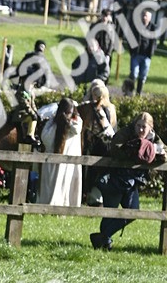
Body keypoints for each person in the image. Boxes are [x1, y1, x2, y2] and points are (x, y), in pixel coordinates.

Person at [90, 113, 165, 250]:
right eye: (138, 126)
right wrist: (136, 150)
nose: (141, 130)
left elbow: (164, 153)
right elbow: (115, 148)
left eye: (144, 127)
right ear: (134, 125)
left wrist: (152, 151)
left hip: (132, 181)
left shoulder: (154, 138)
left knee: (133, 212)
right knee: (110, 212)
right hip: (114, 178)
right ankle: (104, 243)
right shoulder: (125, 132)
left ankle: (101, 237)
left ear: (150, 128)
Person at [38, 97, 82, 206]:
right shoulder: (52, 122)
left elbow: (76, 130)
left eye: (70, 112)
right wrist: (57, 123)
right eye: (66, 112)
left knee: (67, 185)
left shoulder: (76, 121)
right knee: (51, 185)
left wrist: (67, 122)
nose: (68, 115)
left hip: (70, 160)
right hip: (53, 160)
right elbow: (45, 138)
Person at [81, 79, 117, 206]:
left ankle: (97, 198)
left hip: (103, 144)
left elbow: (111, 128)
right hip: (91, 142)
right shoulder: (88, 106)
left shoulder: (109, 109)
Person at [129, 8, 157, 94]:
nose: (144, 18)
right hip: (136, 55)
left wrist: (151, 54)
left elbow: (154, 42)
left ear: (150, 18)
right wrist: (132, 51)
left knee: (142, 76)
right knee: (134, 74)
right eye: (143, 16)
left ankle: (138, 94)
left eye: (146, 16)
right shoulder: (136, 26)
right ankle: (130, 92)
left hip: (146, 56)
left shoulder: (153, 28)